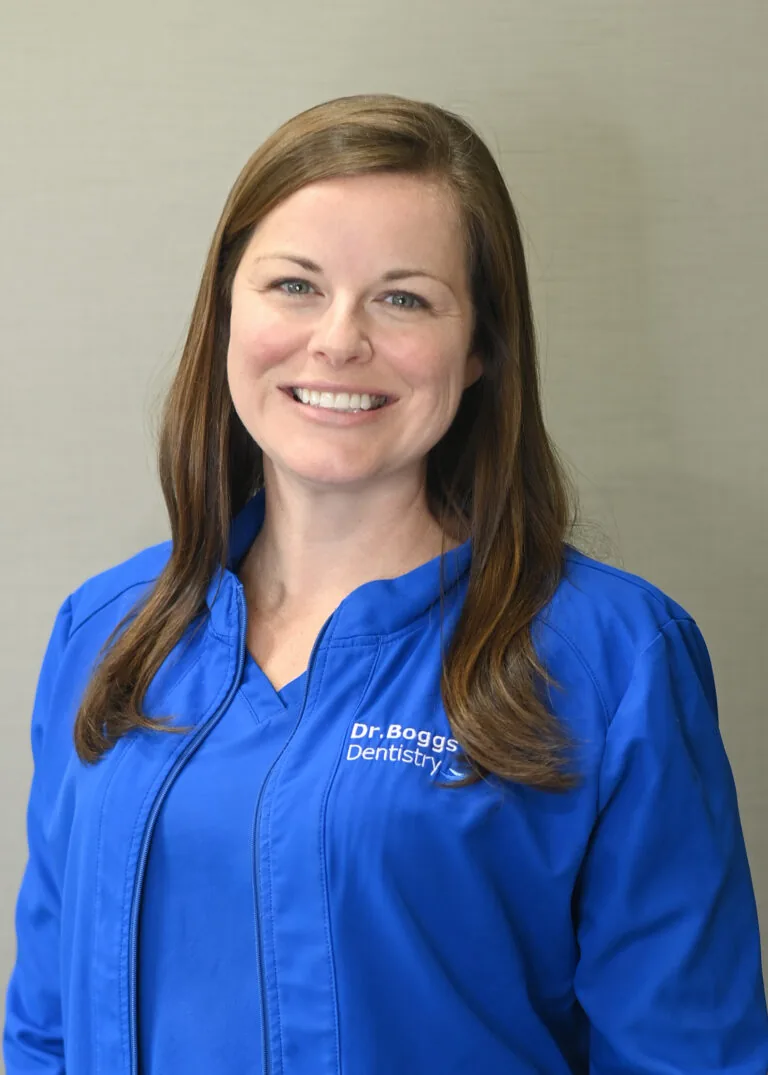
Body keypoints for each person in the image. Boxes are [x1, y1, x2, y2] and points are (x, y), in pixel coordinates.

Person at [3, 92, 767, 1075]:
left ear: (482, 345)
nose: (337, 341)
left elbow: (686, 1059)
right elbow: (43, 1030)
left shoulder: (612, 660)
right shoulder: (107, 632)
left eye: (403, 297)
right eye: (294, 285)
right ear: (227, 305)